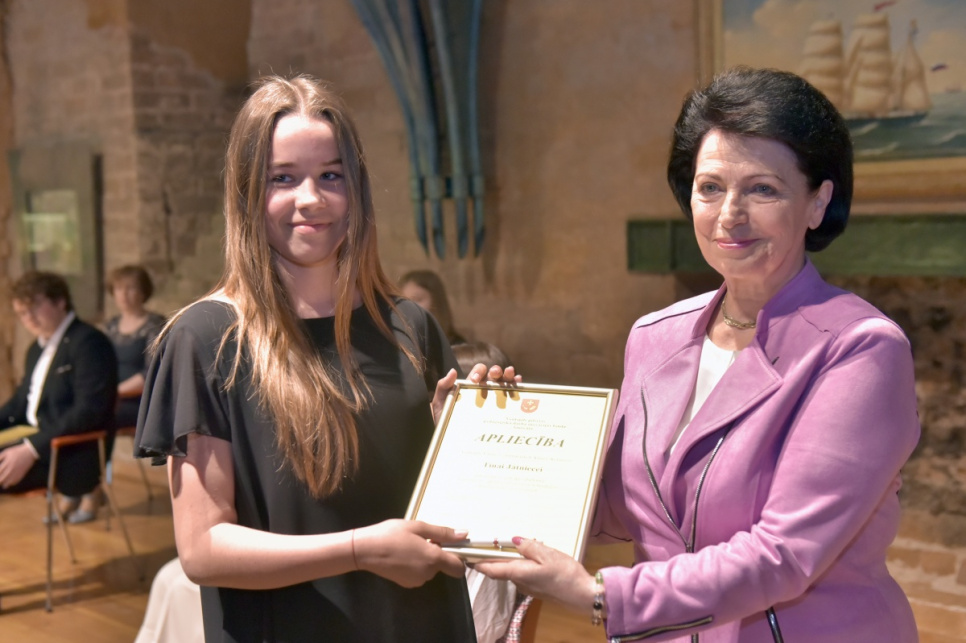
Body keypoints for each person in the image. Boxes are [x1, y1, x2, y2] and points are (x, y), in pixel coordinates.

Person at [476, 67, 920, 642]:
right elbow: (616, 507)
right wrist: (479, 441)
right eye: (710, 187)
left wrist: (601, 595)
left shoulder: (861, 348)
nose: (730, 213)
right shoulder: (654, 335)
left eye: (763, 189)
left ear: (818, 203)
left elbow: (783, 554)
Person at [133, 74, 519, 642]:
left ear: (355, 189)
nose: (310, 199)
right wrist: (359, 550)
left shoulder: (410, 326)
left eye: (331, 176)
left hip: (422, 625)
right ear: (245, 191)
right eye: (283, 178)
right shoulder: (206, 339)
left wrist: (463, 443)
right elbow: (204, 548)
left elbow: (435, 500)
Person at [0, 271, 118, 520]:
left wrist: (31, 449)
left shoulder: (89, 343)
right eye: (22, 313)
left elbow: (89, 412)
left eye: (34, 308)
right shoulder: (36, 348)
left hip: (73, 452)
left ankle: (86, 494)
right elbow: (20, 404)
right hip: (40, 441)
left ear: (60, 301)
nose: (28, 318)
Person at [104, 265, 166, 428]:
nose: (123, 295)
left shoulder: (155, 325)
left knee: (96, 415)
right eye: (119, 289)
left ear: (143, 292)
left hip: (140, 400)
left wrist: (115, 392)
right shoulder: (111, 326)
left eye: (130, 288)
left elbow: (152, 372)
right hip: (111, 397)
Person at [400, 269, 467, 344]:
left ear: (436, 301)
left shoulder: (456, 345)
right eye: (404, 300)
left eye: (418, 299)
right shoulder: (399, 341)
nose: (409, 306)